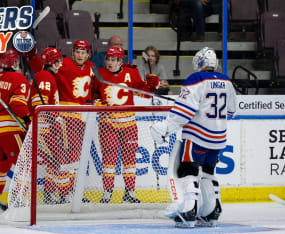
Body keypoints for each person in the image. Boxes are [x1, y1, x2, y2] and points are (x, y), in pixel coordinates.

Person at [150, 47, 236, 228]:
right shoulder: (226, 81)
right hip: (218, 137)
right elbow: (231, 111)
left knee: (187, 170)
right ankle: (212, 212)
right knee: (208, 172)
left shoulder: (195, 80)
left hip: (196, 135)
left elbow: (184, 112)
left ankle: (188, 212)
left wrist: (166, 126)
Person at [26, 40, 95, 203]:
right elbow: (40, 67)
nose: (80, 55)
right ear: (72, 53)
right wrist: (31, 55)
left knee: (72, 158)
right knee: (67, 157)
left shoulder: (91, 67)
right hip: (66, 116)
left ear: (88, 54)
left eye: (83, 51)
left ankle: (59, 191)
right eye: (77, 51)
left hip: (82, 117)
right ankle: (66, 192)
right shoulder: (63, 64)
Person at [91, 46, 159, 204]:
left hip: (128, 124)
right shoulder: (99, 73)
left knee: (129, 160)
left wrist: (151, 85)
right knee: (109, 160)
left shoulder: (132, 73)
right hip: (108, 123)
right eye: (108, 59)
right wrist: (98, 102)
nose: (110, 62)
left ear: (121, 61)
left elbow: (143, 92)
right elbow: (92, 94)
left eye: (114, 60)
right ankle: (107, 193)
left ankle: (129, 192)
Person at [0, 48, 30, 215]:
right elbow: (17, 104)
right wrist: (27, 119)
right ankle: (19, 201)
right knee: (24, 164)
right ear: (16, 62)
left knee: (2, 164)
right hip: (8, 129)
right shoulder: (19, 78)